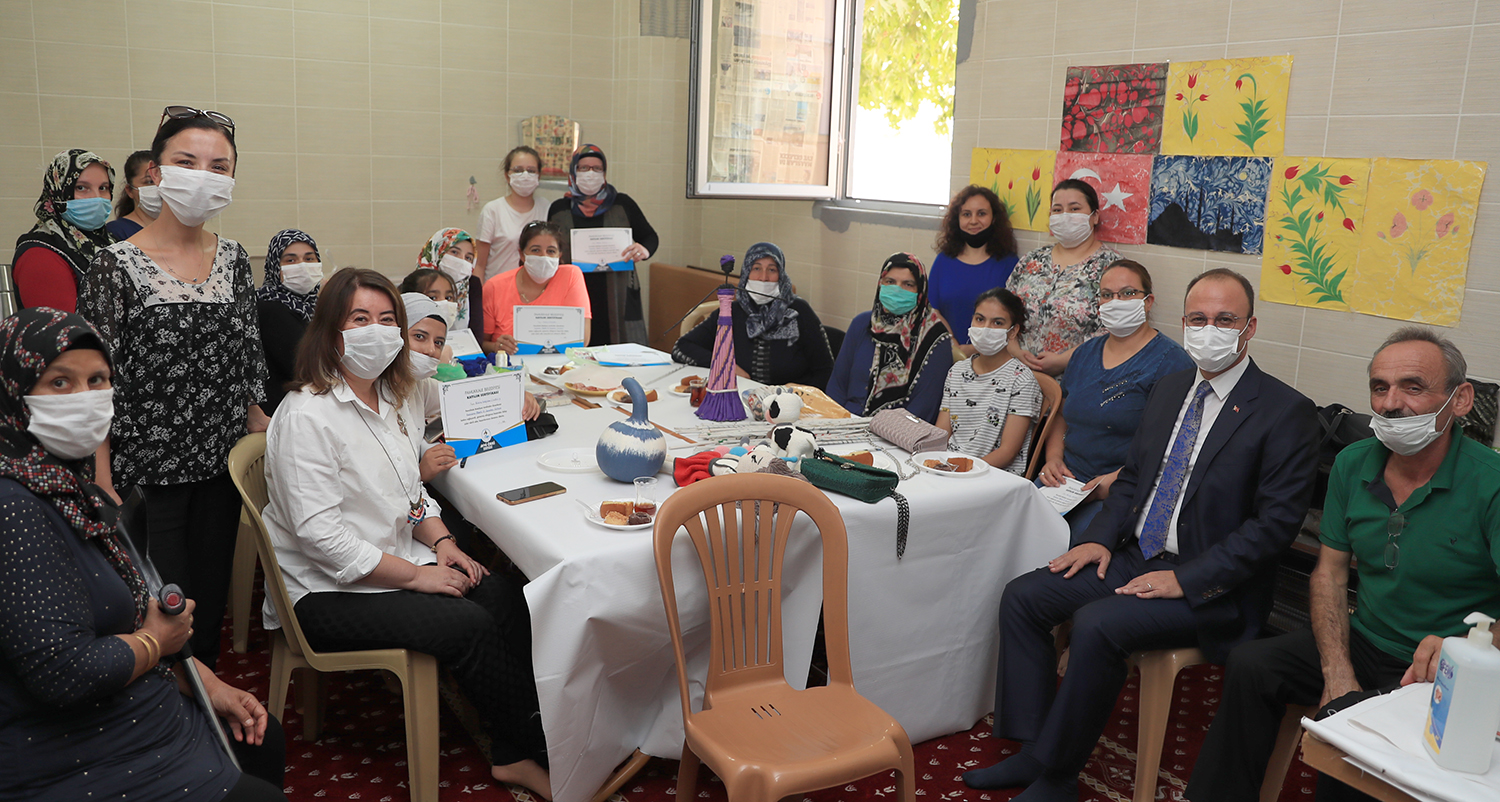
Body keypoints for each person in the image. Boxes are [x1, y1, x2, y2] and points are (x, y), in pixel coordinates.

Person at [963, 268, 1318, 802]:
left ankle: (1058, 778)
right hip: (1137, 554)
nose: (1209, 330)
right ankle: (1036, 750)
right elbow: (1134, 479)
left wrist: (1186, 580)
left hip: (1212, 587)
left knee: (1097, 623)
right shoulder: (1172, 388)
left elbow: (1274, 527)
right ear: (1183, 322)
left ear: (1249, 328)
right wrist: (1100, 539)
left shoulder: (1285, 411)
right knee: (1024, 596)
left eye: (1225, 320)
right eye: (1198, 319)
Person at [262, 268, 550, 798]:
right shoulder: (307, 415)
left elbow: (409, 493)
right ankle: (527, 750)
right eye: (359, 319)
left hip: (394, 558)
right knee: (468, 624)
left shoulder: (392, 400)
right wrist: (419, 577)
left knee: (504, 595)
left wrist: (443, 543)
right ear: (329, 332)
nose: (375, 331)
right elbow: (322, 539)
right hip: (326, 591)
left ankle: (525, 738)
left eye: (386, 319)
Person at [1186, 329, 1500, 802]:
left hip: (1442, 666)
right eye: (1380, 388)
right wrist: (1337, 671)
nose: (1391, 404)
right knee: (1252, 665)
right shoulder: (1353, 463)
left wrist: (1465, 649)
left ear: (1460, 399)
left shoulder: (1490, 483)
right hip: (1365, 639)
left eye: (1413, 387)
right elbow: (1330, 575)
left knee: (1354, 750)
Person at [0, 307, 284, 802]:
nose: (85, 397)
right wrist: (155, 641)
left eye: (98, 380)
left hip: (136, 708)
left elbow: (127, 618)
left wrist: (210, 685)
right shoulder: (15, 506)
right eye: (60, 383)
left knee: (263, 737)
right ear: (13, 391)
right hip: (75, 753)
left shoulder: (70, 487)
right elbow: (62, 673)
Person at [80, 106, 269, 670]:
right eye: (187, 162)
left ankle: (206, 701)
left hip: (221, 466)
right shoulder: (114, 266)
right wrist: (101, 476)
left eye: (219, 166)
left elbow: (248, 358)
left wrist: (268, 427)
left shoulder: (233, 258)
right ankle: (166, 706)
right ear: (156, 173)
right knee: (159, 608)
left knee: (207, 607)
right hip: (147, 473)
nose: (203, 176)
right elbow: (94, 380)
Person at [1037, 260, 1193, 537]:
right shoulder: (1084, 354)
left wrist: (1114, 482)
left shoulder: (1171, 363)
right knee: (1016, 527)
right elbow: (1062, 413)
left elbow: (1173, 446)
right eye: (1107, 295)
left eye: (1128, 293)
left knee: (1073, 543)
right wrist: (1053, 459)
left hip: (1124, 488)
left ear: (1148, 302)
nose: (1116, 302)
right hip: (1065, 482)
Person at [672, 242, 835, 388]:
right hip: (740, 398)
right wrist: (726, 365)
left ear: (781, 275)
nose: (763, 278)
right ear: (746, 273)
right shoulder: (732, 311)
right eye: (756, 269)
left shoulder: (798, 311)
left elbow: (826, 370)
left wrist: (799, 393)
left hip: (790, 404)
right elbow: (681, 347)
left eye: (772, 270)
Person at [1005, 179, 1122, 376]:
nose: (1065, 216)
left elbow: (1115, 329)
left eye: (1075, 209)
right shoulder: (1031, 260)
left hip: (1076, 378)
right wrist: (1015, 350)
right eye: (1057, 210)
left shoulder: (1113, 267)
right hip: (1016, 375)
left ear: (1095, 216)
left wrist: (1064, 361)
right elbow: (1003, 310)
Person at [547, 144, 656, 344]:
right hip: (574, 289)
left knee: (619, 347)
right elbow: (550, 246)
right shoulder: (559, 209)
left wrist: (644, 249)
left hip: (617, 290)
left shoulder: (622, 204)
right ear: (573, 171)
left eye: (597, 168)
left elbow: (650, 236)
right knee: (576, 345)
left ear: (604, 173)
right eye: (584, 168)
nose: (591, 173)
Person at [826, 253, 953, 423]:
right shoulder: (862, 324)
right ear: (881, 283)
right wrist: (834, 423)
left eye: (908, 284)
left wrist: (875, 431)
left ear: (920, 290)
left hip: (897, 432)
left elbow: (923, 408)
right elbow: (837, 386)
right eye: (890, 282)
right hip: (844, 423)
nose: (897, 289)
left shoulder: (935, 339)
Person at [935, 288, 1041, 473]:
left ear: (1013, 331)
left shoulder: (1022, 380)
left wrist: (963, 471)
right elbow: (941, 434)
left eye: (997, 323)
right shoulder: (957, 371)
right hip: (948, 467)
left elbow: (1007, 452)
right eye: (980, 319)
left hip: (992, 475)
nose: (985, 328)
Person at [12, 149, 116, 313]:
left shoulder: (110, 241)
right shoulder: (39, 254)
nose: (96, 197)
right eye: (81, 188)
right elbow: (61, 326)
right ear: (58, 191)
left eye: (103, 188)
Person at [930, 185, 1020, 356]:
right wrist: (953, 344)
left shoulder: (1010, 263)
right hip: (947, 353)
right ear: (957, 219)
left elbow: (1014, 319)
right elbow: (933, 309)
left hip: (993, 357)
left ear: (994, 218)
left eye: (981, 213)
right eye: (966, 214)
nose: (973, 221)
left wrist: (975, 349)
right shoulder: (943, 260)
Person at [482, 221, 592, 355]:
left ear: (559, 255)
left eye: (551, 251)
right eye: (535, 250)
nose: (543, 257)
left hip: (560, 363)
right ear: (522, 254)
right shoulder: (494, 287)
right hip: (510, 364)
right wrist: (497, 346)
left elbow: (583, 340)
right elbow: (481, 343)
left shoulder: (570, 276)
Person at [257, 229, 322, 417]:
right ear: (274, 268)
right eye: (290, 260)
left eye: (309, 259)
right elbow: (306, 367)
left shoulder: (315, 305)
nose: (302, 266)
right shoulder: (269, 307)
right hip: (286, 412)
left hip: (312, 404)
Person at [475, 146, 549, 281]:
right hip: (498, 287)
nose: (525, 175)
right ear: (507, 176)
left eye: (531, 171)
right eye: (518, 170)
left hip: (535, 288)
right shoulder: (492, 210)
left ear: (539, 175)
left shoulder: (546, 207)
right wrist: (479, 292)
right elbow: (479, 265)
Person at [416, 227, 484, 346]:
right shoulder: (417, 281)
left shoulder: (472, 284)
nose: (461, 261)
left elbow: (477, 337)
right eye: (454, 252)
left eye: (468, 258)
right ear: (437, 250)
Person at [107, 150, 159, 240]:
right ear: (129, 190)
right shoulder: (116, 231)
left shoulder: (179, 230)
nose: (159, 187)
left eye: (163, 180)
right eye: (149, 181)